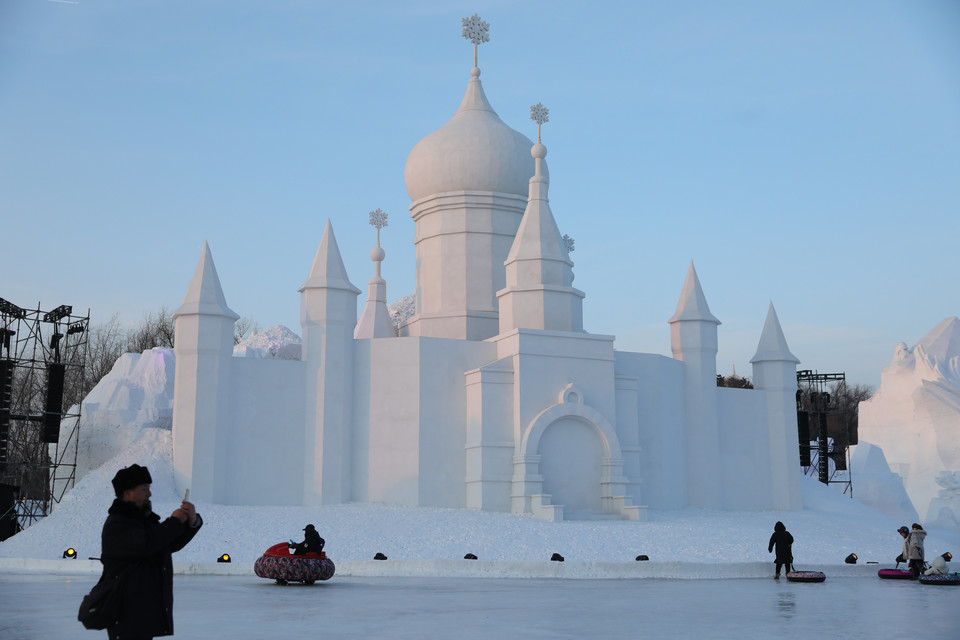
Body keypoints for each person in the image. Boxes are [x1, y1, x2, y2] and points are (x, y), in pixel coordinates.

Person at [100, 464, 202, 640]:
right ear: (127, 494)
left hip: (142, 609)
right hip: (125, 610)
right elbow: (145, 545)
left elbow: (167, 545)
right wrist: (175, 521)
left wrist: (191, 522)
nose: (149, 494)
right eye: (144, 489)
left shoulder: (143, 520)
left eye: (149, 488)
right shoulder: (118, 523)